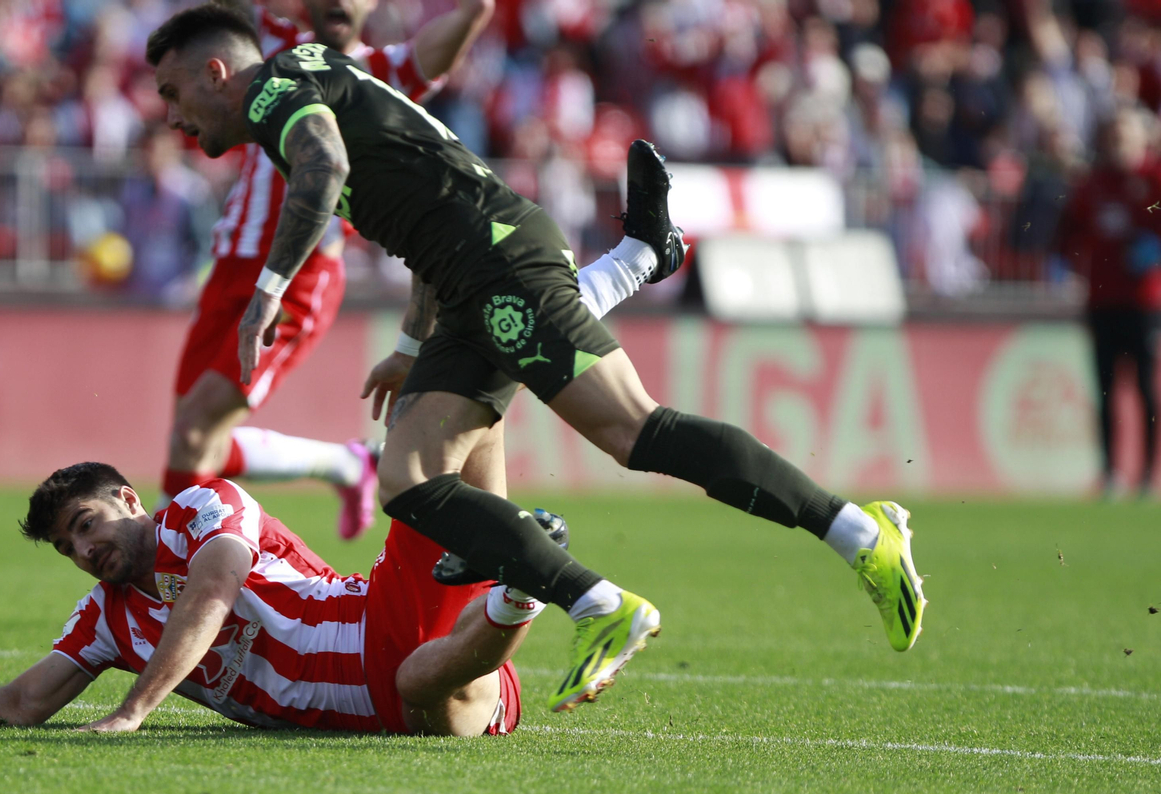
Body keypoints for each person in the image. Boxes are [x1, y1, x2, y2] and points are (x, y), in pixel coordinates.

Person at [143, 5, 928, 714]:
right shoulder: (314, 70)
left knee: (635, 432)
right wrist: (411, 346)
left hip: (498, 266)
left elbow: (328, 170)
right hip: (465, 278)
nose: (172, 117)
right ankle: (596, 600)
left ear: (216, 72)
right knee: (409, 480)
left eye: (173, 93)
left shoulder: (275, 93)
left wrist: (267, 289)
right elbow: (418, 203)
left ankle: (861, 534)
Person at [0, 427, 554, 736]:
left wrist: (133, 711)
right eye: (67, 548)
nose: (84, 551)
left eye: (86, 526)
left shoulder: (203, 507)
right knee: (417, 683)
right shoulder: (106, 617)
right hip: (410, 704)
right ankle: (518, 582)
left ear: (129, 500)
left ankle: (513, 554)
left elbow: (213, 592)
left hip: (381, 617)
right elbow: (29, 700)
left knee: (427, 451)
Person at [157, 0, 495, 540]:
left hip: (298, 270)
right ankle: (345, 465)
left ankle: (167, 573)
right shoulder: (271, 42)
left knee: (196, 430)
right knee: (192, 435)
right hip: (230, 261)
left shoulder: (374, 76)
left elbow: (470, 17)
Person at [1057, 107, 1161, 497]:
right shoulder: (1095, 183)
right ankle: (1111, 472)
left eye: (1126, 133)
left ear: (1142, 138)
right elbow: (1071, 229)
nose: (1119, 141)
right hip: (1102, 300)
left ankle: (1148, 474)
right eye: (1114, 133)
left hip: (1144, 301)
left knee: (1146, 390)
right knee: (1104, 389)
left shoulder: (1154, 179)